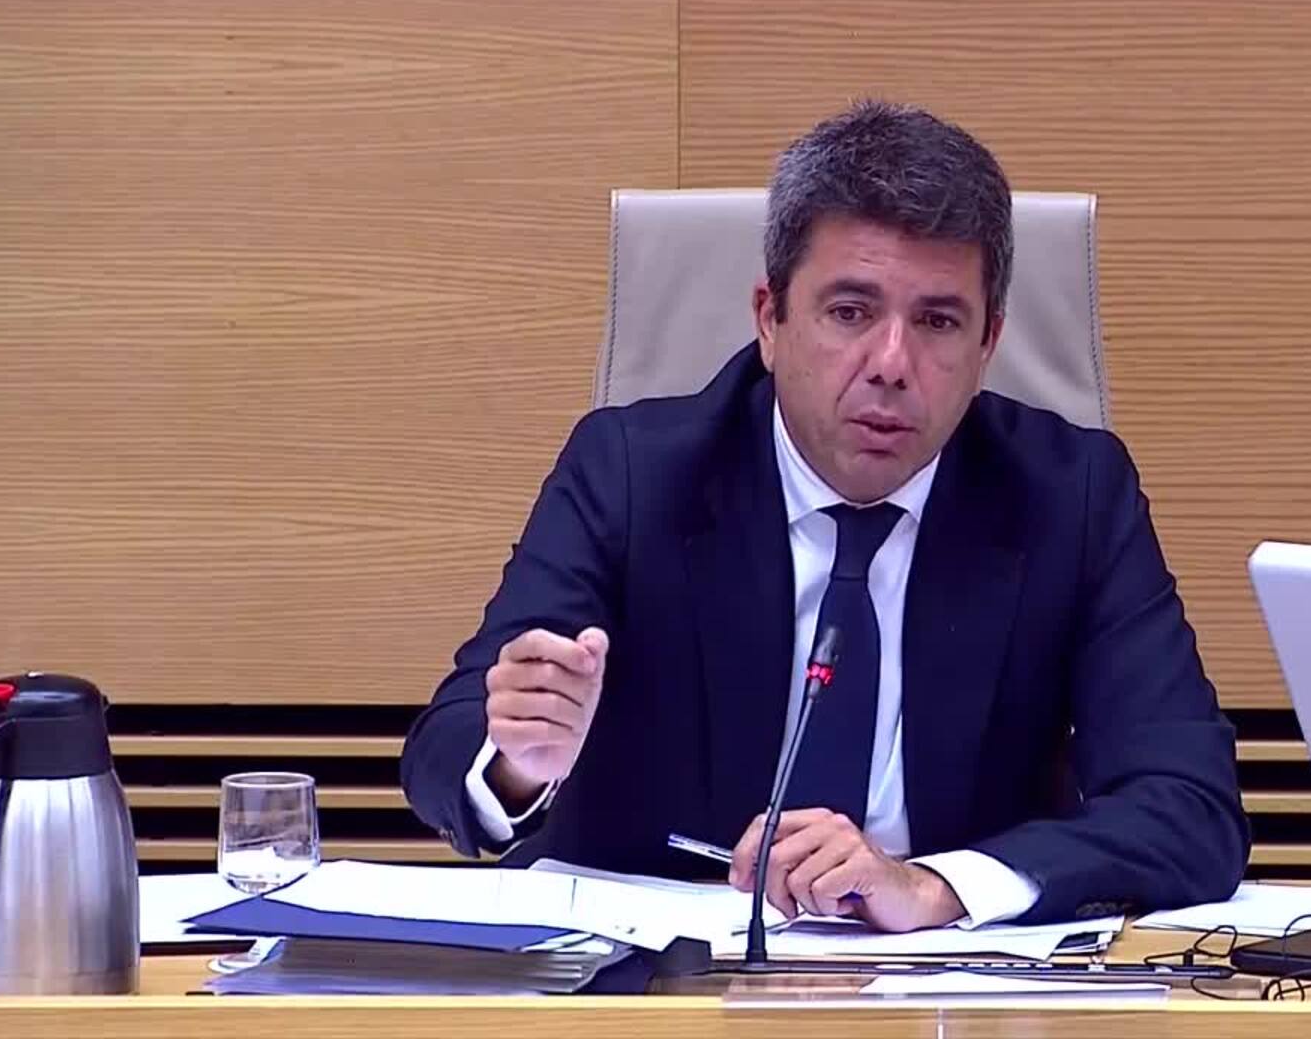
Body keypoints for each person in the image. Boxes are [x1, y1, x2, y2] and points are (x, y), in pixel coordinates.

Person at [402, 100, 1248, 932]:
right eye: (850, 312)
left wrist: (937, 886)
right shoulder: (632, 475)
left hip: (955, 987)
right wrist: (518, 762)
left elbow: (1190, 808)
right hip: (667, 981)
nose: (891, 363)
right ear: (770, 320)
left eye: (938, 321)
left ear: (988, 344)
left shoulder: (1071, 495)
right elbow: (446, 752)